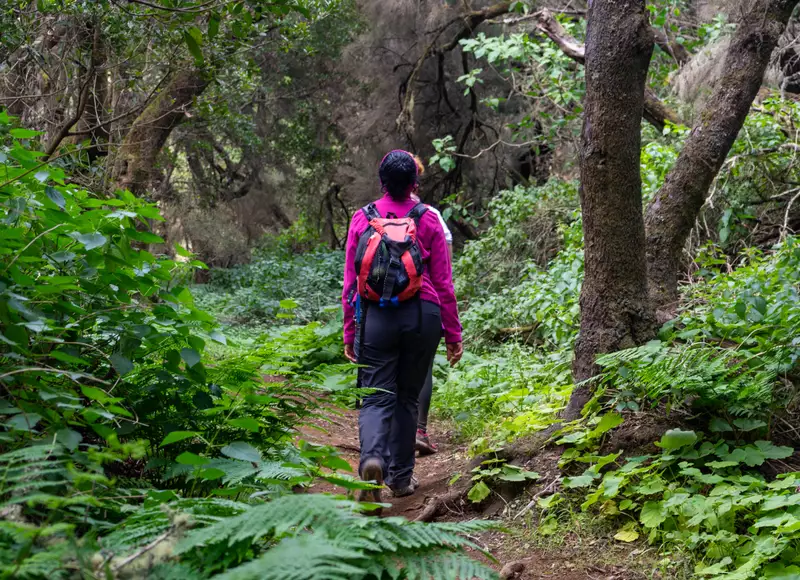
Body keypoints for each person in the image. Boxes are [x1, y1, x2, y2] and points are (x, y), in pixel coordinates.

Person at [342, 149, 463, 503]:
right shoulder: (427, 219)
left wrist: (350, 332)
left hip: (376, 317)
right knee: (406, 399)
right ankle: (399, 479)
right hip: (422, 314)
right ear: (414, 183)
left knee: (376, 396)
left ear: (382, 182)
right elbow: (444, 284)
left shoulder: (362, 219)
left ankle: (372, 463)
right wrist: (453, 335)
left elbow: (351, 284)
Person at [409, 155, 452, 456]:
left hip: (383, 308)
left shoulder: (372, 214)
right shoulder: (432, 215)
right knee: (423, 370)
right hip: (425, 305)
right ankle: (419, 430)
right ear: (417, 180)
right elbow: (445, 273)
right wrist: (451, 326)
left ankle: (385, 436)